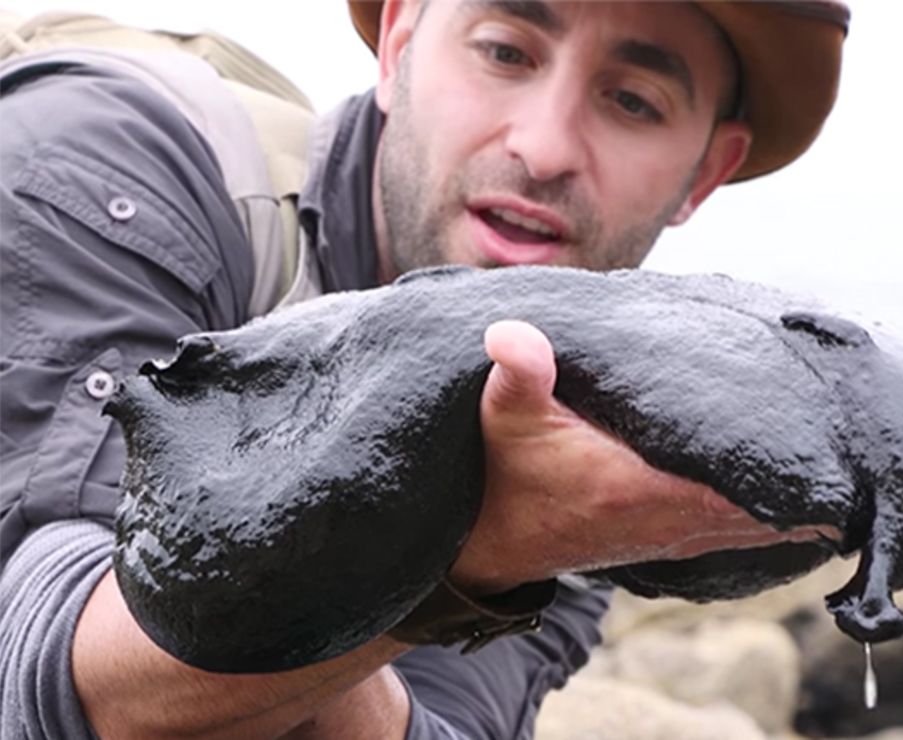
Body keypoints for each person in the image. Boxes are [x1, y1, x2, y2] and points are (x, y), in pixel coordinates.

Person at [0, 1, 849, 737]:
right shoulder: (108, 171)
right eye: (506, 50)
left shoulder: (594, 436)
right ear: (400, 39)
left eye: (633, 100)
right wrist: (479, 550)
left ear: (706, 170)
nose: (544, 147)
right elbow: (59, 682)